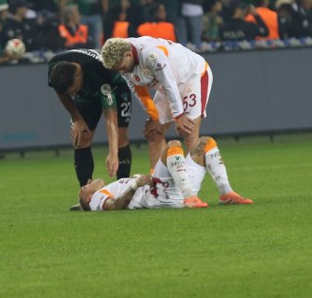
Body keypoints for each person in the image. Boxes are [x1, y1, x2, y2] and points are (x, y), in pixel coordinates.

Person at [101, 36, 251, 206]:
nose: (121, 72)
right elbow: (138, 90)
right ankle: (157, 187)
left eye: (121, 67)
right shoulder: (123, 62)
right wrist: (153, 115)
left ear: (128, 55)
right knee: (153, 132)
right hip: (167, 88)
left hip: (192, 76)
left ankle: (198, 193)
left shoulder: (151, 54)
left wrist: (179, 115)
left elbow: (169, 82)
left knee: (188, 132)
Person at [77, 136, 251, 210]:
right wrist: (135, 184)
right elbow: (115, 206)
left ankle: (226, 193)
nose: (88, 182)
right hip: (160, 195)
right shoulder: (97, 198)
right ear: (88, 198)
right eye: (84, 187)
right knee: (173, 145)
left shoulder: (110, 188)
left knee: (206, 142)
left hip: (172, 188)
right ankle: (190, 196)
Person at [47, 48, 132, 185]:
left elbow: (111, 116)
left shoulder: (100, 70)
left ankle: (123, 189)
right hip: (88, 94)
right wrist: (77, 119)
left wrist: (113, 152)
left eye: (74, 91)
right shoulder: (54, 67)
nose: (73, 95)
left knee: (120, 136)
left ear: (78, 75)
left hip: (116, 89)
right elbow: (61, 92)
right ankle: (86, 191)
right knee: (81, 138)